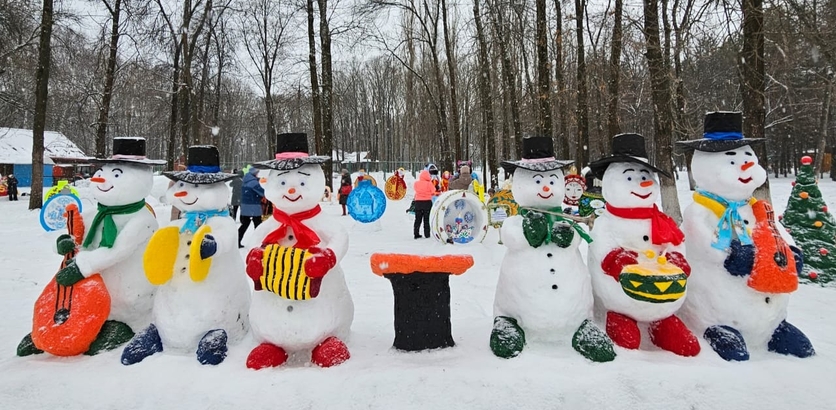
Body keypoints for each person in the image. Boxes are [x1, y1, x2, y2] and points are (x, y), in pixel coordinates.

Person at [238, 167, 265, 248]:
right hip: (253, 206)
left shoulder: (245, 181)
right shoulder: (254, 183)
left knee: (245, 224)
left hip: (245, 206)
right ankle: (259, 242)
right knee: (258, 225)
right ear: (254, 174)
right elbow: (262, 193)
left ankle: (237, 241)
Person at [413, 169, 437, 239]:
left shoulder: (416, 183)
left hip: (418, 202)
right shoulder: (429, 184)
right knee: (426, 219)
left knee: (418, 219)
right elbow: (433, 191)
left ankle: (416, 233)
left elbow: (415, 189)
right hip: (427, 202)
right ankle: (427, 234)